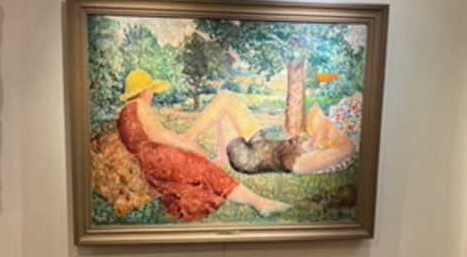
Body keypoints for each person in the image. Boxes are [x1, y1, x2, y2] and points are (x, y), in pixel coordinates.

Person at [117, 70, 289, 221]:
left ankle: (257, 201)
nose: (153, 93)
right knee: (205, 169)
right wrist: (187, 145)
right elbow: (159, 135)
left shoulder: (125, 112)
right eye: (151, 89)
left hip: (149, 161)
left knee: (201, 167)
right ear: (144, 91)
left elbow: (144, 137)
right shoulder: (140, 106)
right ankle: (258, 202)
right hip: (158, 158)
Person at [183, 90, 356, 175]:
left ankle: (188, 139)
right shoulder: (316, 146)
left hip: (249, 158)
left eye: (330, 128)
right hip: (258, 145)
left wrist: (346, 147)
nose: (324, 128)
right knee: (226, 104)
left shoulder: (314, 159)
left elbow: (300, 165)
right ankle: (219, 157)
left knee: (226, 100)